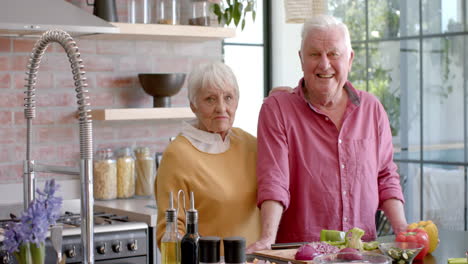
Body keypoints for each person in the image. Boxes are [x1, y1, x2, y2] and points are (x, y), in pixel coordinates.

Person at [247, 14, 407, 251]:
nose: (324, 64)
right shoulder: (277, 110)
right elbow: (274, 179)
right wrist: (268, 238)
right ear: (301, 59)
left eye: (333, 54)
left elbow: (385, 177)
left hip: (362, 254)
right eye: (314, 54)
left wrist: (403, 230)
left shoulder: (372, 109)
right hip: (301, 254)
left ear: (349, 59)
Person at [155, 62, 261, 248]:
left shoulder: (250, 143)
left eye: (228, 97)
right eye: (210, 99)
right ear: (193, 105)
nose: (221, 108)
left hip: (258, 260)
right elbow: (169, 230)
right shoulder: (177, 155)